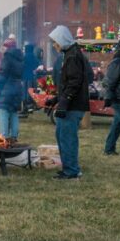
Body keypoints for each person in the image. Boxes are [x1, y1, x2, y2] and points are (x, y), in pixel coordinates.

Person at [47, 25, 87, 180]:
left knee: (67, 138)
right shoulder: (70, 54)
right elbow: (69, 83)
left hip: (73, 106)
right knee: (63, 136)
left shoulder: (72, 56)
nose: (54, 45)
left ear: (62, 40)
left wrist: (64, 103)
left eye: (55, 42)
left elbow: (74, 83)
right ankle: (70, 168)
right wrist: (57, 99)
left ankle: (71, 171)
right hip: (71, 104)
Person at [0, 38, 24, 140]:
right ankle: (14, 136)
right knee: (14, 112)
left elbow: (3, 75)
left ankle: (4, 137)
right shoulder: (20, 57)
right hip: (17, 88)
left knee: (3, 111)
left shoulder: (7, 57)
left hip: (7, 89)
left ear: (7, 47)